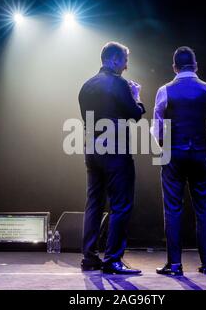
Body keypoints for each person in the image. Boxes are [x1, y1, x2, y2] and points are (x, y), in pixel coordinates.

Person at [151, 46, 206, 275]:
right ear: (196, 66)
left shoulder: (164, 90)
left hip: (174, 153)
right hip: (202, 153)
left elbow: (157, 128)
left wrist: (165, 145)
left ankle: (175, 264)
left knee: (172, 209)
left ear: (174, 67)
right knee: (204, 209)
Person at [78, 41, 145, 274]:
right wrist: (136, 96)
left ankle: (89, 258)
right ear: (115, 59)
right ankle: (113, 260)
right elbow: (135, 114)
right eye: (125, 61)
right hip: (115, 150)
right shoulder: (119, 84)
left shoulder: (86, 86)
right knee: (121, 205)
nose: (126, 66)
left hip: (91, 150)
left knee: (94, 204)